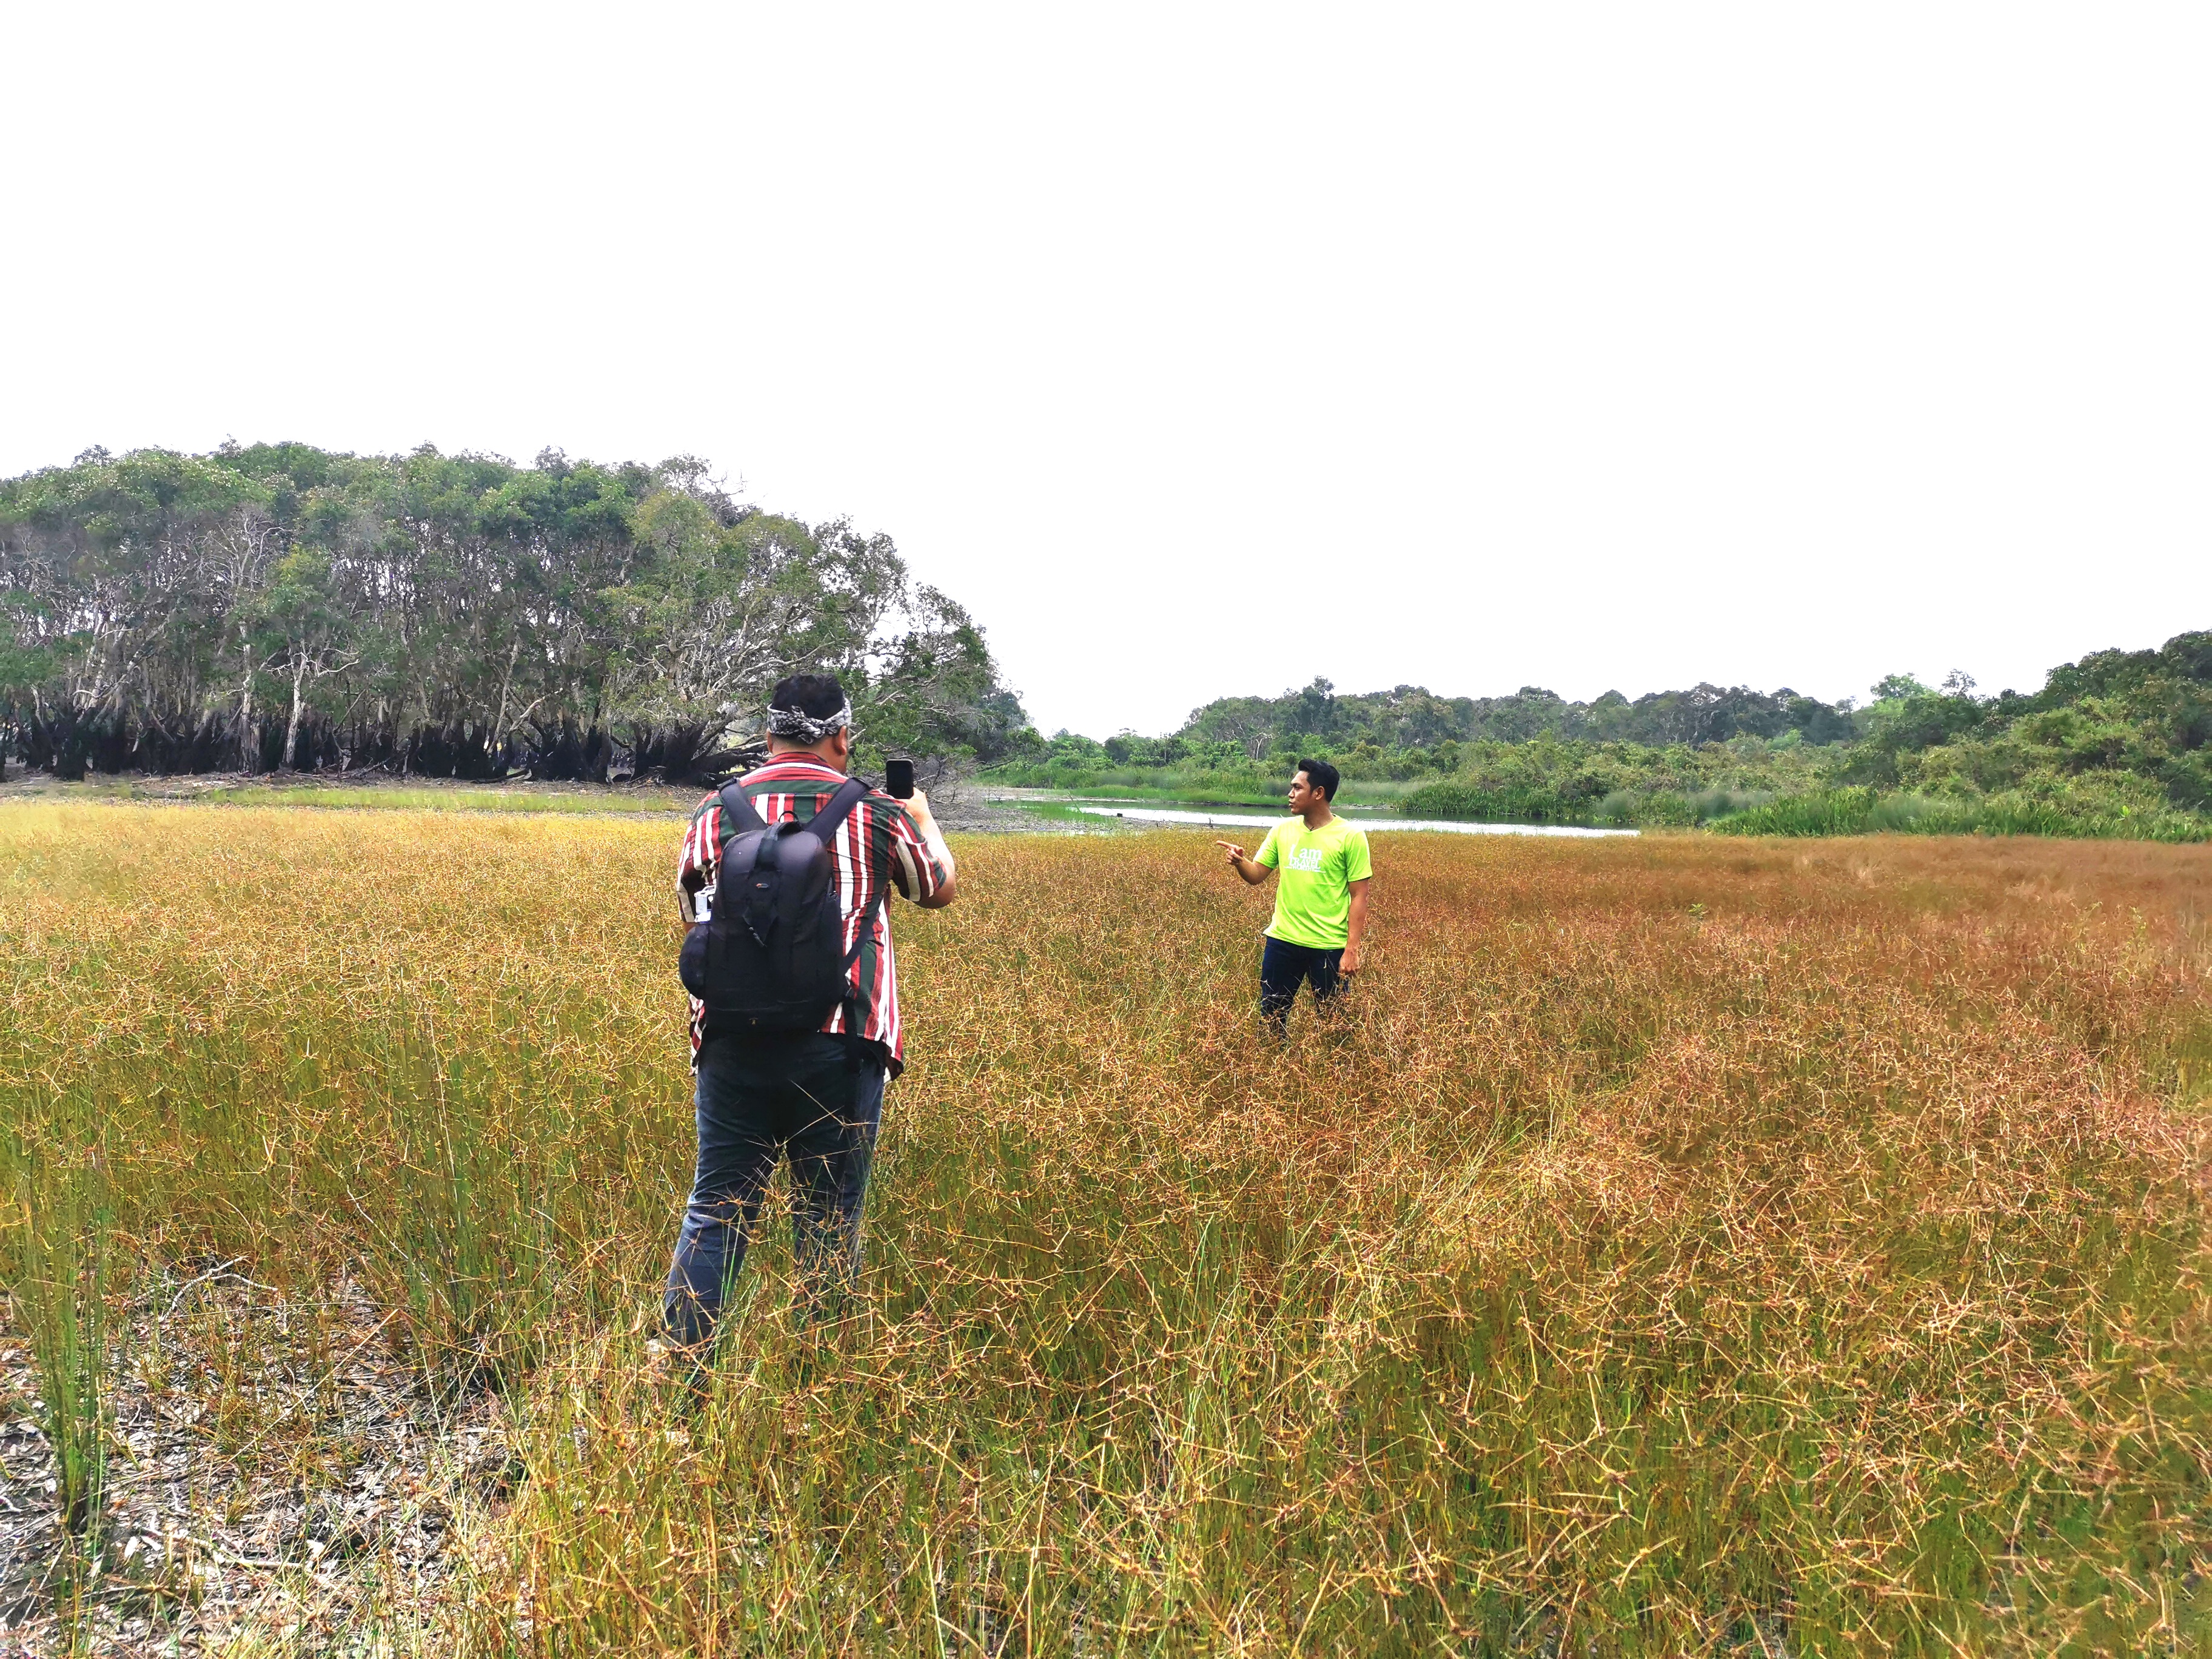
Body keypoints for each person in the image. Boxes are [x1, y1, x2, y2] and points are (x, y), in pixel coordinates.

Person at [662, 672, 957, 1358]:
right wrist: (923, 817)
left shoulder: (715, 810)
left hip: (732, 1040)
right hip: (844, 1040)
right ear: (842, 737)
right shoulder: (878, 810)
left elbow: (693, 921)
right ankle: (820, 1388)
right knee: (828, 1220)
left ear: (768, 737)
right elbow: (938, 890)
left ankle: (680, 1373)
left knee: (715, 1211)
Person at [1215, 758, 1372, 1036]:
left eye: (1297, 788)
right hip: (1282, 942)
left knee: (1335, 1026)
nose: (1290, 794)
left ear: (1319, 793)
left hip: (1328, 947)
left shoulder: (1351, 836)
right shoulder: (1282, 831)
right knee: (1271, 1021)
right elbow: (1257, 876)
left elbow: (1360, 895)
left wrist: (1351, 950)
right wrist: (1240, 862)